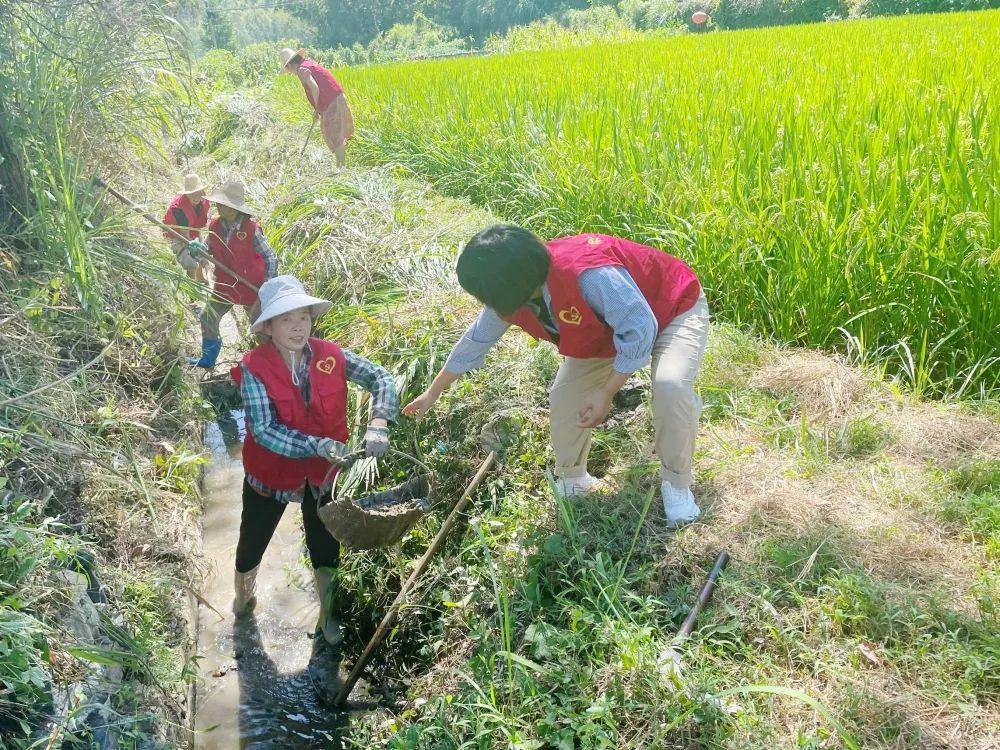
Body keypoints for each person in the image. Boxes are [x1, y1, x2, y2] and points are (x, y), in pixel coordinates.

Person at [403, 225, 710, 528]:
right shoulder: (513, 294)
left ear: (509, 283)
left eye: (486, 294)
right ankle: (574, 479)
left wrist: (606, 392)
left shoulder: (587, 275)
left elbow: (640, 328)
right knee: (564, 397)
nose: (486, 302)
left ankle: (676, 484)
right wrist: (433, 392)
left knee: (670, 386)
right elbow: (475, 342)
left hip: (670, 308)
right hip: (604, 333)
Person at [229, 275, 399, 647]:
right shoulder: (253, 368)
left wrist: (379, 423)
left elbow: (381, 377)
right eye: (286, 319)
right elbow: (264, 430)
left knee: (325, 545)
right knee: (251, 542)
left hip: (324, 474)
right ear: (268, 327)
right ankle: (243, 594)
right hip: (270, 475)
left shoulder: (331, 355)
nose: (297, 327)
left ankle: (328, 613)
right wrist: (316, 444)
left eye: (303, 317)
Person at [189, 180, 278, 369]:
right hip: (225, 285)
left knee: (261, 328)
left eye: (223, 204)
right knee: (208, 316)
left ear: (234, 208)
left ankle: (273, 364)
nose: (218, 207)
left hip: (251, 289)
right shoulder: (215, 226)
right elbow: (208, 248)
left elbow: (270, 257)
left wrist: (267, 287)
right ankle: (208, 358)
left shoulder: (251, 230)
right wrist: (198, 249)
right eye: (218, 203)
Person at [279, 47, 354, 168]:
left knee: (336, 135)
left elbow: (314, 88)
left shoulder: (301, 70)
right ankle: (340, 166)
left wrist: (316, 109)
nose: (290, 72)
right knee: (337, 134)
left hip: (331, 102)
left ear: (289, 65)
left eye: (287, 68)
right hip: (335, 98)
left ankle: (341, 169)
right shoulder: (307, 63)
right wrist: (318, 109)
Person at [163, 173, 209, 284]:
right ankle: (191, 287)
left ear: (202, 192)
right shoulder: (179, 209)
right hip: (176, 234)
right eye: (192, 193)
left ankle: (200, 277)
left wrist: (202, 253)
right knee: (191, 260)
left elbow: (197, 226)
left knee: (201, 251)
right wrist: (198, 254)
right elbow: (185, 238)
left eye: (198, 192)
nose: (196, 196)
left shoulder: (203, 202)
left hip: (192, 229)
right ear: (186, 194)